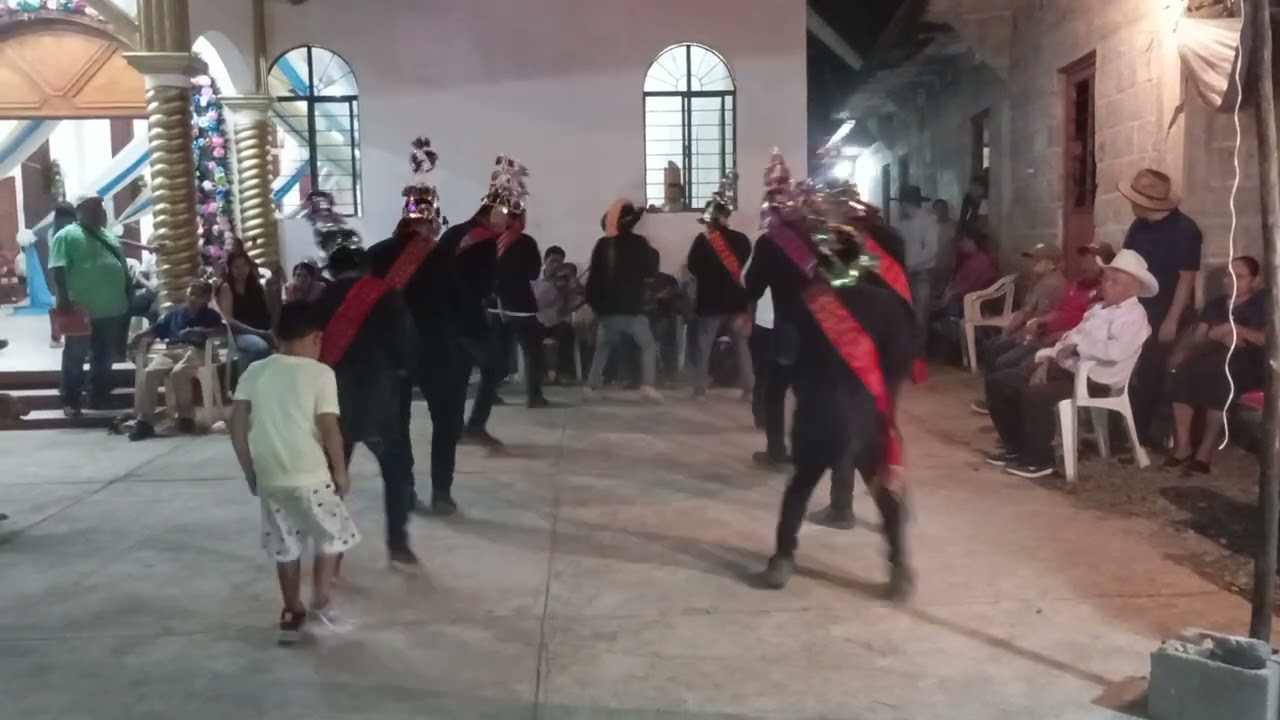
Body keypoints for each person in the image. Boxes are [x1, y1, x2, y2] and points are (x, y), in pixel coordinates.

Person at [750, 157, 916, 599]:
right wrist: (887, 416)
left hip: (819, 414)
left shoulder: (809, 304)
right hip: (868, 416)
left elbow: (789, 358)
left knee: (800, 486)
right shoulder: (886, 307)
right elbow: (899, 367)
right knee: (885, 495)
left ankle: (783, 557)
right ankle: (899, 568)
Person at [229, 301, 360, 642]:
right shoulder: (320, 374)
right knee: (334, 535)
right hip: (311, 476)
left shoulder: (254, 372)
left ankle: (292, 609)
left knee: (284, 544)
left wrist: (250, 471)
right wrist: (341, 472)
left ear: (275, 337)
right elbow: (330, 428)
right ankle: (321, 601)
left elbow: (237, 426)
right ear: (316, 338)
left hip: (271, 478)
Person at [984, 249, 1157, 478]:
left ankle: (1039, 460)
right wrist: (1048, 359)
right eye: (1106, 279)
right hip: (1067, 368)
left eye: (1115, 281)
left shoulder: (1134, 316)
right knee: (1000, 382)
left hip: (1096, 379)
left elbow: (1114, 351)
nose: (1106, 285)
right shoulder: (1097, 310)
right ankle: (1015, 447)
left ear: (1133, 288)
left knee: (1035, 394)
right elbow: (1069, 338)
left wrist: (1077, 348)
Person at [366, 137, 466, 516]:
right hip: (437, 351)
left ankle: (405, 490)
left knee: (397, 425)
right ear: (431, 220)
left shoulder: (377, 254)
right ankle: (442, 491)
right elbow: (460, 302)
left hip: (392, 352)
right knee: (445, 422)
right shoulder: (442, 258)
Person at [313, 246, 421, 567]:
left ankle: (330, 549)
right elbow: (407, 343)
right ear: (365, 268)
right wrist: (406, 372)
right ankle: (398, 543)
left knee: (332, 476)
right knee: (396, 472)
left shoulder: (320, 301)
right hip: (379, 396)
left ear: (332, 271)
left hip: (333, 399)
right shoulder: (386, 295)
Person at [972, 241, 1112, 415]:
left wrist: (1054, 335)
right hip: (1048, 338)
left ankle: (1012, 413)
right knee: (1000, 359)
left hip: (1064, 348)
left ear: (1105, 266)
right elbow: (1056, 312)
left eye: (1093, 260)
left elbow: (1086, 330)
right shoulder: (1075, 285)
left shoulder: (1102, 295)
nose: (1086, 265)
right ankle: (1004, 411)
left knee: (1015, 368)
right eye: (1085, 259)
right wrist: (1040, 323)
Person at [1120, 168, 1202, 449]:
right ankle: (1125, 423)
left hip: (1166, 306)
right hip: (1136, 304)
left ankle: (1141, 432)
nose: (1130, 203)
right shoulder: (1138, 226)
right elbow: (1128, 263)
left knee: (1153, 368)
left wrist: (1171, 320)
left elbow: (1187, 278)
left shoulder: (1186, 230)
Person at [1167, 256, 1269, 474]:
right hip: (1212, 357)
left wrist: (1235, 330)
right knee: (1182, 372)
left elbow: (1266, 339)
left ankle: (1205, 451)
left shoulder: (1263, 303)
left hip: (1249, 361)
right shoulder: (1216, 304)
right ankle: (1183, 446)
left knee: (1221, 375)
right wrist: (1216, 334)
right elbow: (1198, 339)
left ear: (1255, 280)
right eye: (1229, 276)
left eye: (1240, 277)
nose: (1232, 281)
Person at [467, 207, 549, 447]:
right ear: (519, 219)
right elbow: (534, 273)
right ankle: (534, 395)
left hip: (494, 305)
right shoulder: (525, 242)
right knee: (532, 352)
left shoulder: (492, 240)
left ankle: (490, 394)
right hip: (520, 304)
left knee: (498, 355)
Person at [49, 195, 131, 417]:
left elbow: (121, 267)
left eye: (100, 206)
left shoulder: (109, 236)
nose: (99, 210)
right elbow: (58, 270)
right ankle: (71, 399)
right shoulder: (65, 236)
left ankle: (99, 396)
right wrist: (62, 298)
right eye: (93, 207)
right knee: (76, 354)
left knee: (104, 356)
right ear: (80, 211)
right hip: (79, 309)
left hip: (111, 308)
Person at [583, 199, 662, 402]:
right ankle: (648, 385)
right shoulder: (640, 244)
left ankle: (592, 386)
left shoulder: (603, 245)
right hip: (632, 307)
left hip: (607, 309)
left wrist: (595, 305)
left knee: (603, 347)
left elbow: (594, 278)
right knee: (648, 345)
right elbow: (651, 269)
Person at [127, 280, 225, 441]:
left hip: (195, 350)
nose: (193, 298)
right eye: (190, 294)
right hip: (171, 350)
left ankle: (185, 417)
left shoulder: (210, 315)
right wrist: (139, 335)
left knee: (179, 373)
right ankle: (144, 422)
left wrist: (199, 331)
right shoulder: (175, 314)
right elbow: (156, 329)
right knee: (150, 372)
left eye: (198, 295)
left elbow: (221, 330)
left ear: (206, 298)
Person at [687, 193, 754, 399]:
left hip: (710, 302)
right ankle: (749, 389)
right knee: (742, 346)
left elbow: (692, 267)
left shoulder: (702, 240)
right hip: (737, 301)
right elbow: (748, 269)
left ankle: (699, 390)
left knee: (704, 346)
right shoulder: (742, 240)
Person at [974, 243, 1065, 374]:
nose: (1033, 263)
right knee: (990, 346)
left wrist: (1010, 333)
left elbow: (1034, 318)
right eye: (1033, 259)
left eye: (1038, 260)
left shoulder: (1050, 285)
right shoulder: (1041, 281)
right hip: (1030, 334)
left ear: (1052, 264)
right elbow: (1025, 312)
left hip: (1037, 339)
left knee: (997, 355)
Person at [895, 185, 939, 351]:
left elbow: (931, 250)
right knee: (906, 314)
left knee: (920, 315)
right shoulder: (901, 223)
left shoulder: (928, 221)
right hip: (905, 273)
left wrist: (909, 264)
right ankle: (909, 351)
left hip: (921, 274)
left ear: (906, 203)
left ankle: (918, 352)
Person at [218, 249, 275, 375]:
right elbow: (229, 318)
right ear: (230, 269)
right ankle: (245, 383)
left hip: (262, 330)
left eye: (244, 265)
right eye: (236, 267)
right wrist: (257, 332)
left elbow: (268, 312)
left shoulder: (257, 287)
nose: (241, 270)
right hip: (239, 333)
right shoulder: (227, 288)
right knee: (259, 347)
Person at [534, 248, 584, 384]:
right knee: (531, 336)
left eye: (560, 263)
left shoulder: (565, 280)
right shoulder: (535, 280)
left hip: (558, 321)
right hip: (538, 320)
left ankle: (564, 373)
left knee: (567, 332)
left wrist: (573, 287)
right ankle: (541, 374)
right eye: (553, 262)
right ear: (545, 261)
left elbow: (580, 299)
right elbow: (533, 302)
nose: (556, 266)